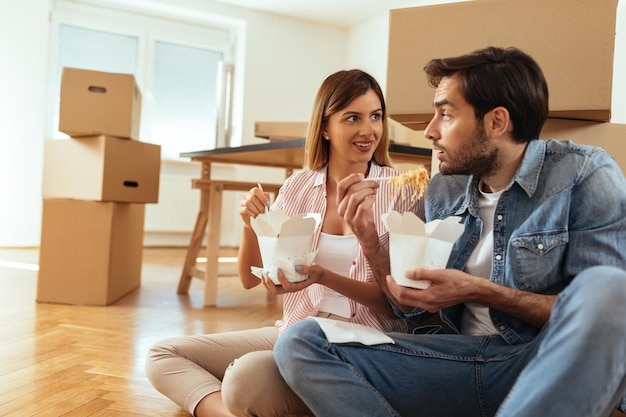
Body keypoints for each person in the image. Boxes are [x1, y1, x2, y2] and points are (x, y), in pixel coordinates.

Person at [273, 46, 626, 417]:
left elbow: (603, 314)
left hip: (534, 360)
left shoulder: (583, 176)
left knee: (610, 288)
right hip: (451, 358)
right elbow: (405, 308)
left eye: (445, 114)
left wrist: (480, 291)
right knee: (301, 341)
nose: (429, 130)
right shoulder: (445, 189)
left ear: (496, 122)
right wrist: (367, 238)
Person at [145, 69, 422, 417]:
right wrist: (250, 224)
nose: (368, 130)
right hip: (296, 331)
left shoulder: (404, 190)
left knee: (244, 380)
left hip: (365, 343)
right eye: (353, 117)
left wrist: (323, 276)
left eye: (376, 116)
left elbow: (400, 306)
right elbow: (249, 278)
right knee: (163, 354)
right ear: (324, 127)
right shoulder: (298, 187)